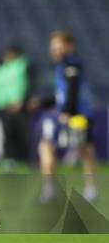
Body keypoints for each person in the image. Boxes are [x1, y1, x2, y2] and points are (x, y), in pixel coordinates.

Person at [38, 31, 97, 203]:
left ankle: (90, 189)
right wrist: (42, 102)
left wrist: (67, 112)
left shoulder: (72, 65)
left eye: (59, 46)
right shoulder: (60, 66)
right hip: (63, 113)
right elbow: (61, 95)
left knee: (85, 150)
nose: (55, 50)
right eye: (53, 47)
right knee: (46, 146)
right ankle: (49, 188)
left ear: (70, 47)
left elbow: (73, 90)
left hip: (78, 115)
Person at [0, 45, 31, 172]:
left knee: (23, 134)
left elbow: (26, 84)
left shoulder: (23, 66)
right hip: (4, 107)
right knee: (8, 134)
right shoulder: (0, 70)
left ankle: (30, 160)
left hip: (19, 106)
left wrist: (21, 101)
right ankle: (10, 160)